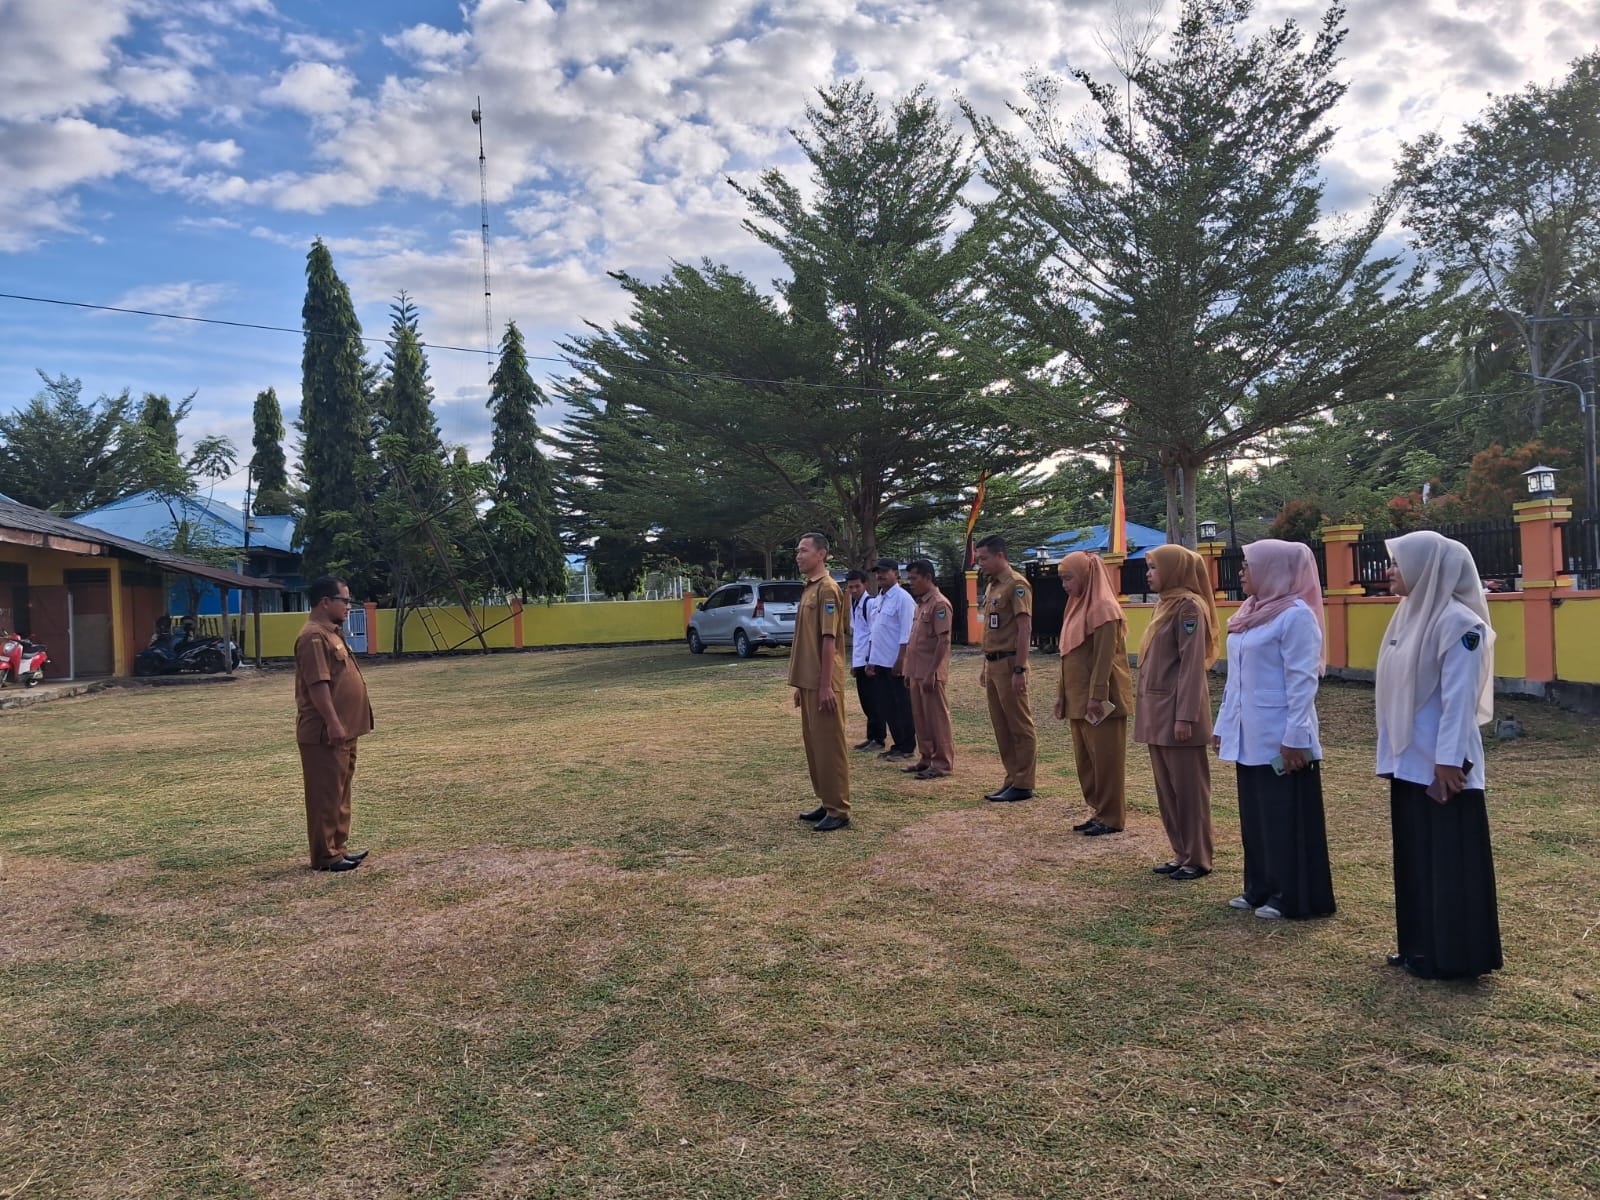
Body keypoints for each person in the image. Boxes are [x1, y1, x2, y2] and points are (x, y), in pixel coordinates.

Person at [1376, 530, 1503, 979]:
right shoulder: (1408, 616)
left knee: (1448, 860)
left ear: (1427, 567)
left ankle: (1453, 953)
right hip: (1410, 761)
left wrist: (1448, 761)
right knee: (1416, 856)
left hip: (1442, 766)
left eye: (1396, 562)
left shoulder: (1459, 624)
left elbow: (1459, 702)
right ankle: (1418, 944)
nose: (1389, 571)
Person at [1213, 540, 1335, 920]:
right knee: (1255, 812)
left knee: (1285, 814)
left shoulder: (1296, 615)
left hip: (1280, 733)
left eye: (1249, 565)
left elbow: (1302, 681)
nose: (1242, 572)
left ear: (1274, 570)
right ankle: (1260, 885)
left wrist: (1295, 736)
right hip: (1249, 729)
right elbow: (1235, 680)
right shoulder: (1250, 611)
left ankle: (1291, 893)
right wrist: (1223, 724)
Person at [1133, 544, 1218, 880]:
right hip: (1158, 710)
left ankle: (1198, 858)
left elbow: (1191, 667)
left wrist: (1186, 716)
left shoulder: (1188, 608)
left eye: (1154, 568)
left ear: (1173, 570)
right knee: (1167, 791)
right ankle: (1180, 852)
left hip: (1177, 713)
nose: (1149, 574)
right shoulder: (1164, 605)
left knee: (1189, 791)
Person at [294, 575, 374, 872]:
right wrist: (333, 722)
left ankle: (338, 848)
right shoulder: (313, 637)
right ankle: (325, 855)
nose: (349, 606)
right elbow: (318, 685)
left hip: (343, 730)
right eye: (345, 600)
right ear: (325, 602)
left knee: (340, 792)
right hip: (325, 732)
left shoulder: (331, 633)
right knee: (325, 794)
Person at [1052, 551, 1131, 835]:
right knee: (1086, 762)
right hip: (1078, 699)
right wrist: (1062, 695)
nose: (1064, 585)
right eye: (1062, 579)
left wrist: (1096, 696)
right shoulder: (1074, 607)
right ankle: (1099, 811)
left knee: (1106, 761)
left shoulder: (1104, 609)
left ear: (1085, 575)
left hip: (1101, 702)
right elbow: (1066, 655)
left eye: (1068, 578)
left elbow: (1104, 658)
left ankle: (1111, 817)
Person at [790, 532, 852, 832]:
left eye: (804, 550)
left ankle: (839, 808)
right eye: (797, 551)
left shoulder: (828, 590)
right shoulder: (809, 589)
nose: (798, 555)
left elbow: (829, 641)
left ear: (821, 554)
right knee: (815, 746)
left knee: (830, 746)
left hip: (824, 682)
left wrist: (826, 685)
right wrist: (803, 685)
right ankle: (827, 800)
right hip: (810, 682)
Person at [974, 534, 1037, 802]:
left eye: (984, 558)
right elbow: (991, 627)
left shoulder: (1017, 584)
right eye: (978, 559)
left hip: (1011, 662)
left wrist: (1020, 669)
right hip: (993, 662)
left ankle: (1024, 782)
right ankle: (1012, 777)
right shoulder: (991, 586)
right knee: (1001, 724)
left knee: (1019, 725)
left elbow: (1024, 629)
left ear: (1000, 556)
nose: (980, 564)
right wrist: (984, 665)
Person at [902, 558, 956, 779]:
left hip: (930, 674)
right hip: (916, 671)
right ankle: (926, 757)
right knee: (920, 717)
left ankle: (942, 762)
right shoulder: (921, 604)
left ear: (927, 578)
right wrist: (908, 669)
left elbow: (943, 641)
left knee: (936, 718)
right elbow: (915, 640)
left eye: (914, 578)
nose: (911, 583)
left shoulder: (939, 604)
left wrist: (933, 671)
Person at [866, 558, 918, 762]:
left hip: (896, 663)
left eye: (885, 572)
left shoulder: (903, 599)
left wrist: (901, 660)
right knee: (887, 706)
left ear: (896, 574)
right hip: (880, 662)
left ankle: (907, 747)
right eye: (877, 572)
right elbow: (874, 631)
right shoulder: (878, 600)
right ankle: (897, 745)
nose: (880, 575)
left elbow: (907, 633)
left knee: (902, 706)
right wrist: (871, 659)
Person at [845, 569, 885, 752]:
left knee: (875, 700)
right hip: (860, 660)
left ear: (865, 585)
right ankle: (871, 736)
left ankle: (879, 738)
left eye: (857, 586)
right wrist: (855, 663)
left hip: (869, 660)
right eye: (850, 587)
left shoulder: (870, 604)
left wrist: (870, 660)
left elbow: (873, 633)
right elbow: (858, 636)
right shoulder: (854, 604)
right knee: (866, 701)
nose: (854, 590)